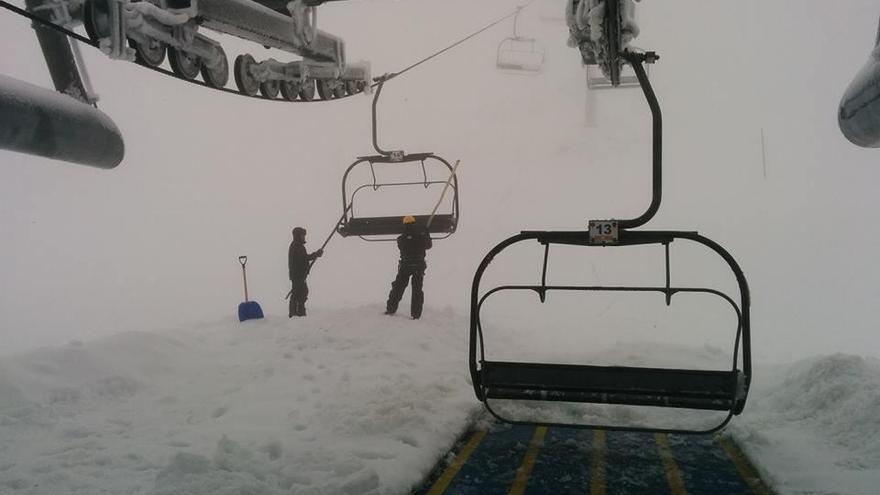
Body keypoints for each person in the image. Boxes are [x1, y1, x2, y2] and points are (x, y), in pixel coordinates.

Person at [385, 215, 432, 319]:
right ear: (414, 224)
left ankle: (391, 309)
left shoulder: (401, 239)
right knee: (417, 290)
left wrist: (422, 235)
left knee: (398, 288)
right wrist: (426, 234)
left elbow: (404, 244)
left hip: (405, 266)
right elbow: (428, 245)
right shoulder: (420, 237)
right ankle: (416, 314)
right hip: (418, 266)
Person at [288, 227, 322, 317]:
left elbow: (303, 259)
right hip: (297, 275)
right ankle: (295, 313)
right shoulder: (297, 246)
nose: (304, 237)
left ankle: (299, 313)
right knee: (298, 294)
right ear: (298, 236)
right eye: (302, 235)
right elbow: (303, 259)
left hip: (298, 275)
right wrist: (316, 254)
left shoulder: (298, 246)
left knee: (301, 293)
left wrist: (315, 255)